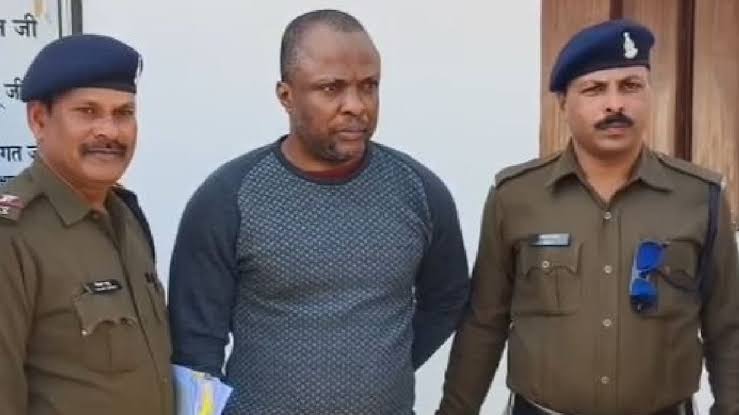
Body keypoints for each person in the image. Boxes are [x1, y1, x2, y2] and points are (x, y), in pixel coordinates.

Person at [168, 9, 470, 414]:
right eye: (331, 88)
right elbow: (195, 346)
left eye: (369, 86)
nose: (356, 106)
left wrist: (385, 364)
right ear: (286, 96)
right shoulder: (228, 197)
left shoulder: (419, 191)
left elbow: (447, 299)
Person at [436, 19, 739, 415]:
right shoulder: (516, 197)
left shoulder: (700, 197)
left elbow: (727, 328)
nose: (615, 104)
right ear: (563, 102)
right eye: (595, 89)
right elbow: (483, 324)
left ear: (650, 93)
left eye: (630, 86)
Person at [0, 34, 174, 415]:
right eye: (87, 112)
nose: (109, 131)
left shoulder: (126, 216)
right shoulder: (12, 235)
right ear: (39, 120)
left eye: (123, 113)